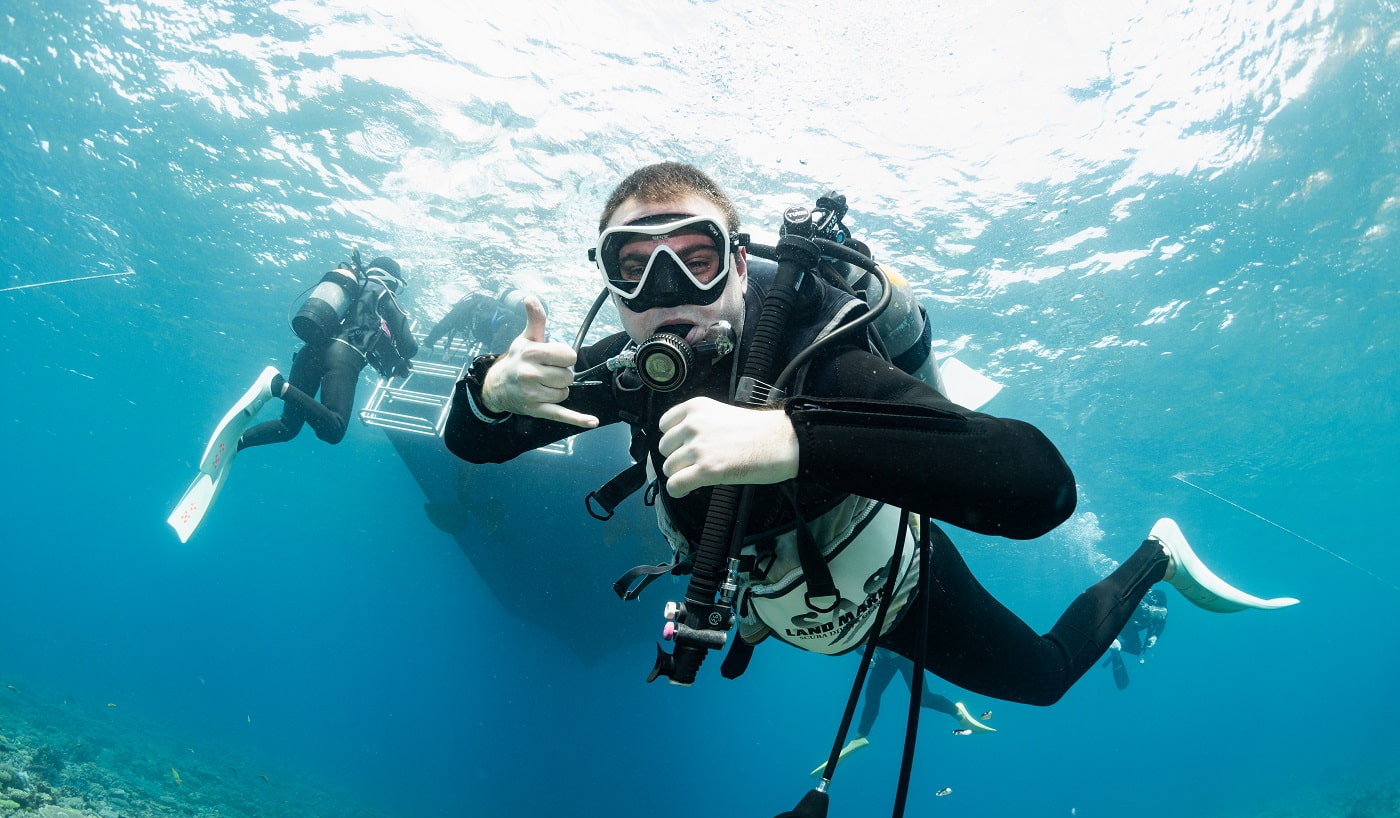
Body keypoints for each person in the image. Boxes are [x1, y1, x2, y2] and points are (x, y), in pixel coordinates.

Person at [442, 161, 1297, 707]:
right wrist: (490, 390)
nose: (668, 289)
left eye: (695, 257)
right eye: (633, 265)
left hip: (894, 584)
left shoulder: (828, 359)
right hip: (765, 598)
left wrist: (797, 440)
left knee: (1039, 679)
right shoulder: (626, 372)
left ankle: (1156, 555)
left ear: (740, 263)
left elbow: (1043, 487)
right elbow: (468, 444)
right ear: (611, 283)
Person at [239, 256, 418, 451]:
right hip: (343, 356)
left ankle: (238, 443)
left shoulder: (349, 288)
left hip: (308, 352)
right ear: (392, 280)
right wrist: (404, 354)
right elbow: (409, 347)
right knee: (334, 429)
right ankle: (277, 386)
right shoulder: (385, 293)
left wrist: (394, 361)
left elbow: (371, 337)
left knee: (288, 426)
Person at [810, 649, 995, 776]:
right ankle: (860, 737)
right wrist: (869, 654)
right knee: (871, 695)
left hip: (907, 655)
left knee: (923, 698)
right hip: (885, 659)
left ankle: (959, 713)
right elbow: (857, 642)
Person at [424, 290, 528, 357]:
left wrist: (429, 341)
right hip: (517, 328)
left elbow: (444, 324)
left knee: (498, 364)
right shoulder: (488, 304)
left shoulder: (468, 304)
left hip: (505, 330)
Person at [1103, 589, 1168, 690]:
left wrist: (1154, 637)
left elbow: (1161, 624)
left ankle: (1118, 646)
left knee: (1136, 650)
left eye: (1162, 612)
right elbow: (1112, 614)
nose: (1158, 615)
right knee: (1133, 647)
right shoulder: (1139, 606)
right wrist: (1112, 636)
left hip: (1132, 627)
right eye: (1157, 611)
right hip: (1122, 624)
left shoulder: (1161, 615)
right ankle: (1112, 643)